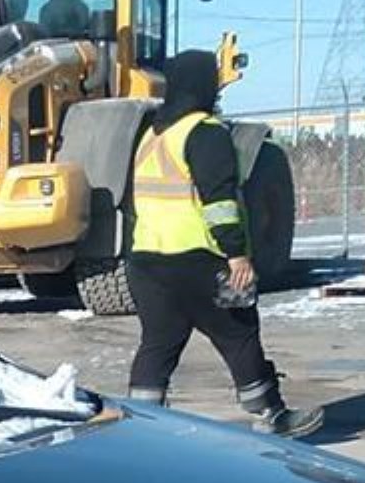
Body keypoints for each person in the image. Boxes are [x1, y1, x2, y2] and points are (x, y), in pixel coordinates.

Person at [121, 49, 320, 438]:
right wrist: (237, 253)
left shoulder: (152, 136)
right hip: (199, 258)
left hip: (147, 262)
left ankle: (141, 428)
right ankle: (271, 414)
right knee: (238, 331)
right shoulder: (206, 132)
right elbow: (220, 201)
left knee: (158, 344)